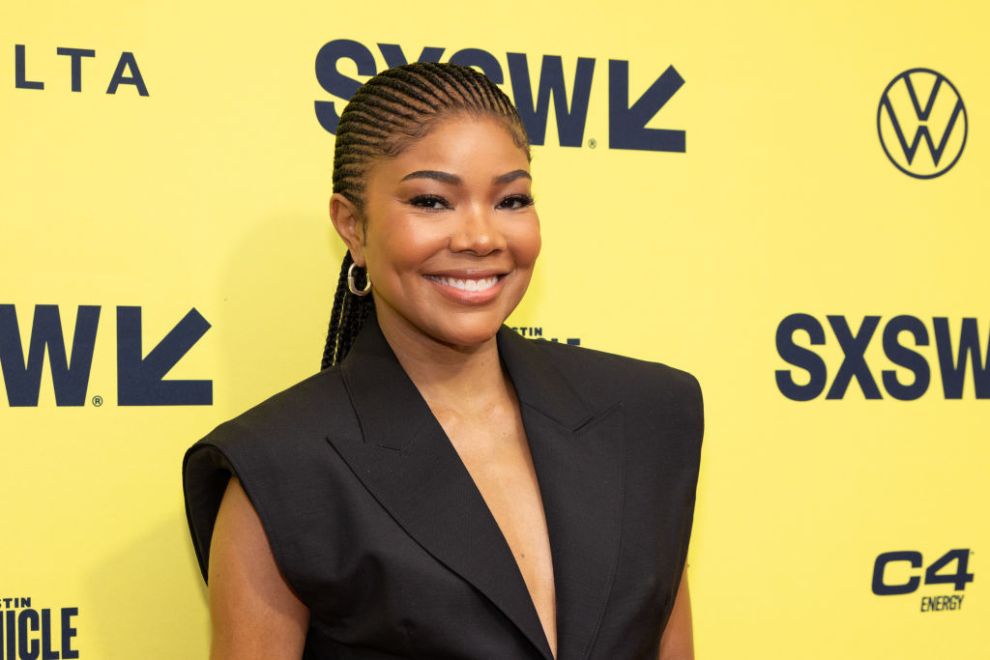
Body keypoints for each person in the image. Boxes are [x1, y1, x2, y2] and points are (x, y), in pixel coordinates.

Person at [182, 61, 704, 660]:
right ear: (352, 225)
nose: (481, 237)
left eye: (511, 199)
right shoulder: (279, 471)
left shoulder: (645, 415)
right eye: (432, 201)